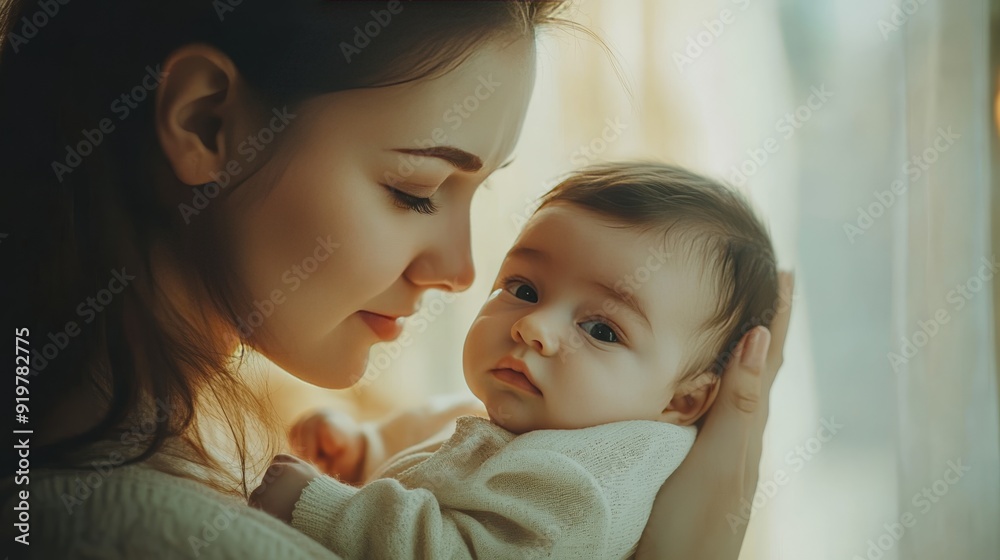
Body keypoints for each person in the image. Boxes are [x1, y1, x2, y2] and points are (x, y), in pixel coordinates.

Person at [0, 2, 793, 559]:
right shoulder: (123, 525)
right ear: (209, 124)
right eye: (414, 191)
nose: (461, 273)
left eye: (475, 195)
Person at [247, 162, 781, 559]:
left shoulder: (583, 484)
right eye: (523, 289)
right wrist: (366, 450)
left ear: (683, 399)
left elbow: (464, 549)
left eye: (601, 329)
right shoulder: (540, 423)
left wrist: (322, 505)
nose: (535, 326)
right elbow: (442, 467)